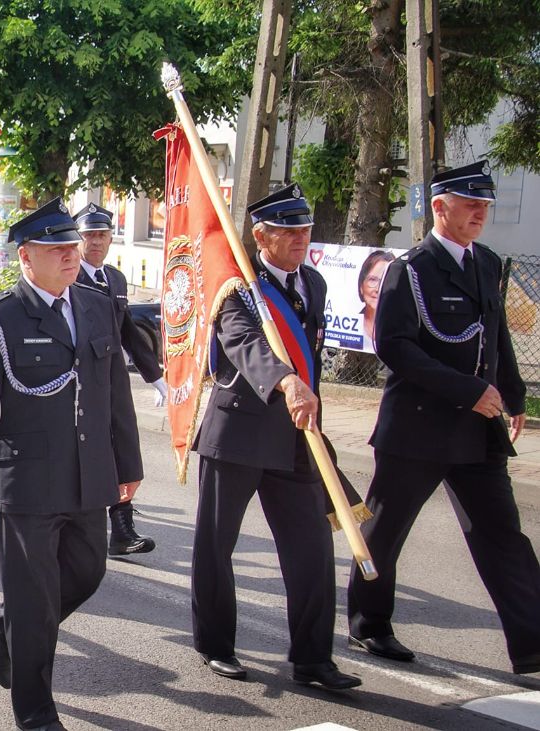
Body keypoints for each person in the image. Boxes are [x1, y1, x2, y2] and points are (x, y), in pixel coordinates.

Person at [347, 161, 540, 676]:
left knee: (502, 533)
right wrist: (469, 391)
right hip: (418, 428)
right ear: (439, 206)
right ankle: (369, 623)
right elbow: (394, 347)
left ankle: (534, 640)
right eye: (471, 203)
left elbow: (496, 335)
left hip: (476, 432)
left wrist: (514, 394)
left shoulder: (487, 263)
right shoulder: (410, 270)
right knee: (384, 532)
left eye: (485, 205)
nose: (481, 213)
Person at [0, 198, 142, 730]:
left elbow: (115, 391)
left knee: (87, 571)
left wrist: (127, 462)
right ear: (25, 257)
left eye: (72, 247)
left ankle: (5, 620)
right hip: (26, 481)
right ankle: (36, 713)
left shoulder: (96, 306)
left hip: (87, 473)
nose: (70, 256)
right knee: (35, 602)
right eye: (56, 249)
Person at [188, 184, 361, 690]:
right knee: (215, 545)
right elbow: (243, 343)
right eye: (288, 231)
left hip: (296, 438)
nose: (300, 238)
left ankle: (314, 659)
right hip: (238, 432)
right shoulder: (237, 285)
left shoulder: (314, 283)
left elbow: (311, 353)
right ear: (261, 236)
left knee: (312, 550)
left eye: (305, 229)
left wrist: (306, 400)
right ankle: (215, 645)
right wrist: (286, 382)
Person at [73, 202, 167, 556]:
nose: (96, 242)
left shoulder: (114, 278)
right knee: (91, 450)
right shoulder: (69, 276)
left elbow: (128, 331)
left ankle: (123, 528)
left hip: (114, 377)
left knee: (124, 447)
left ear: (111, 239)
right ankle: (90, 526)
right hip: (82, 378)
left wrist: (155, 376)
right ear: (78, 239)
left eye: (102, 235)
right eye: (89, 235)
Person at [358, 249, 395, 352]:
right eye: (373, 280)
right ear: (361, 286)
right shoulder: (351, 328)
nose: (378, 289)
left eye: (386, 280)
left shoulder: (402, 329)